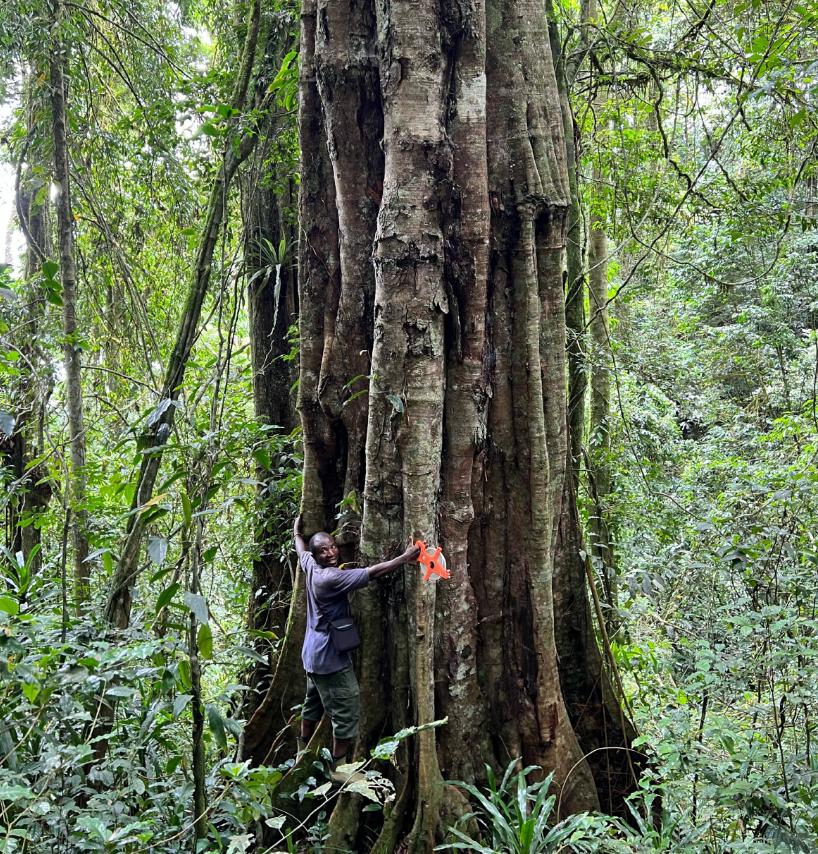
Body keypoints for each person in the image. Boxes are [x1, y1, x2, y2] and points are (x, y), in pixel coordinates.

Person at [293, 516, 420, 782]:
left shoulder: (309, 565)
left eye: (332, 547)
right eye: (323, 551)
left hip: (311, 655)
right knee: (347, 710)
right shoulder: (330, 577)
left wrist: (297, 532)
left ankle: (301, 751)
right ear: (317, 556)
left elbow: (300, 550)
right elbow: (372, 573)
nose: (330, 553)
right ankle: (338, 769)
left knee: (312, 702)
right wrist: (405, 558)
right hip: (330, 658)